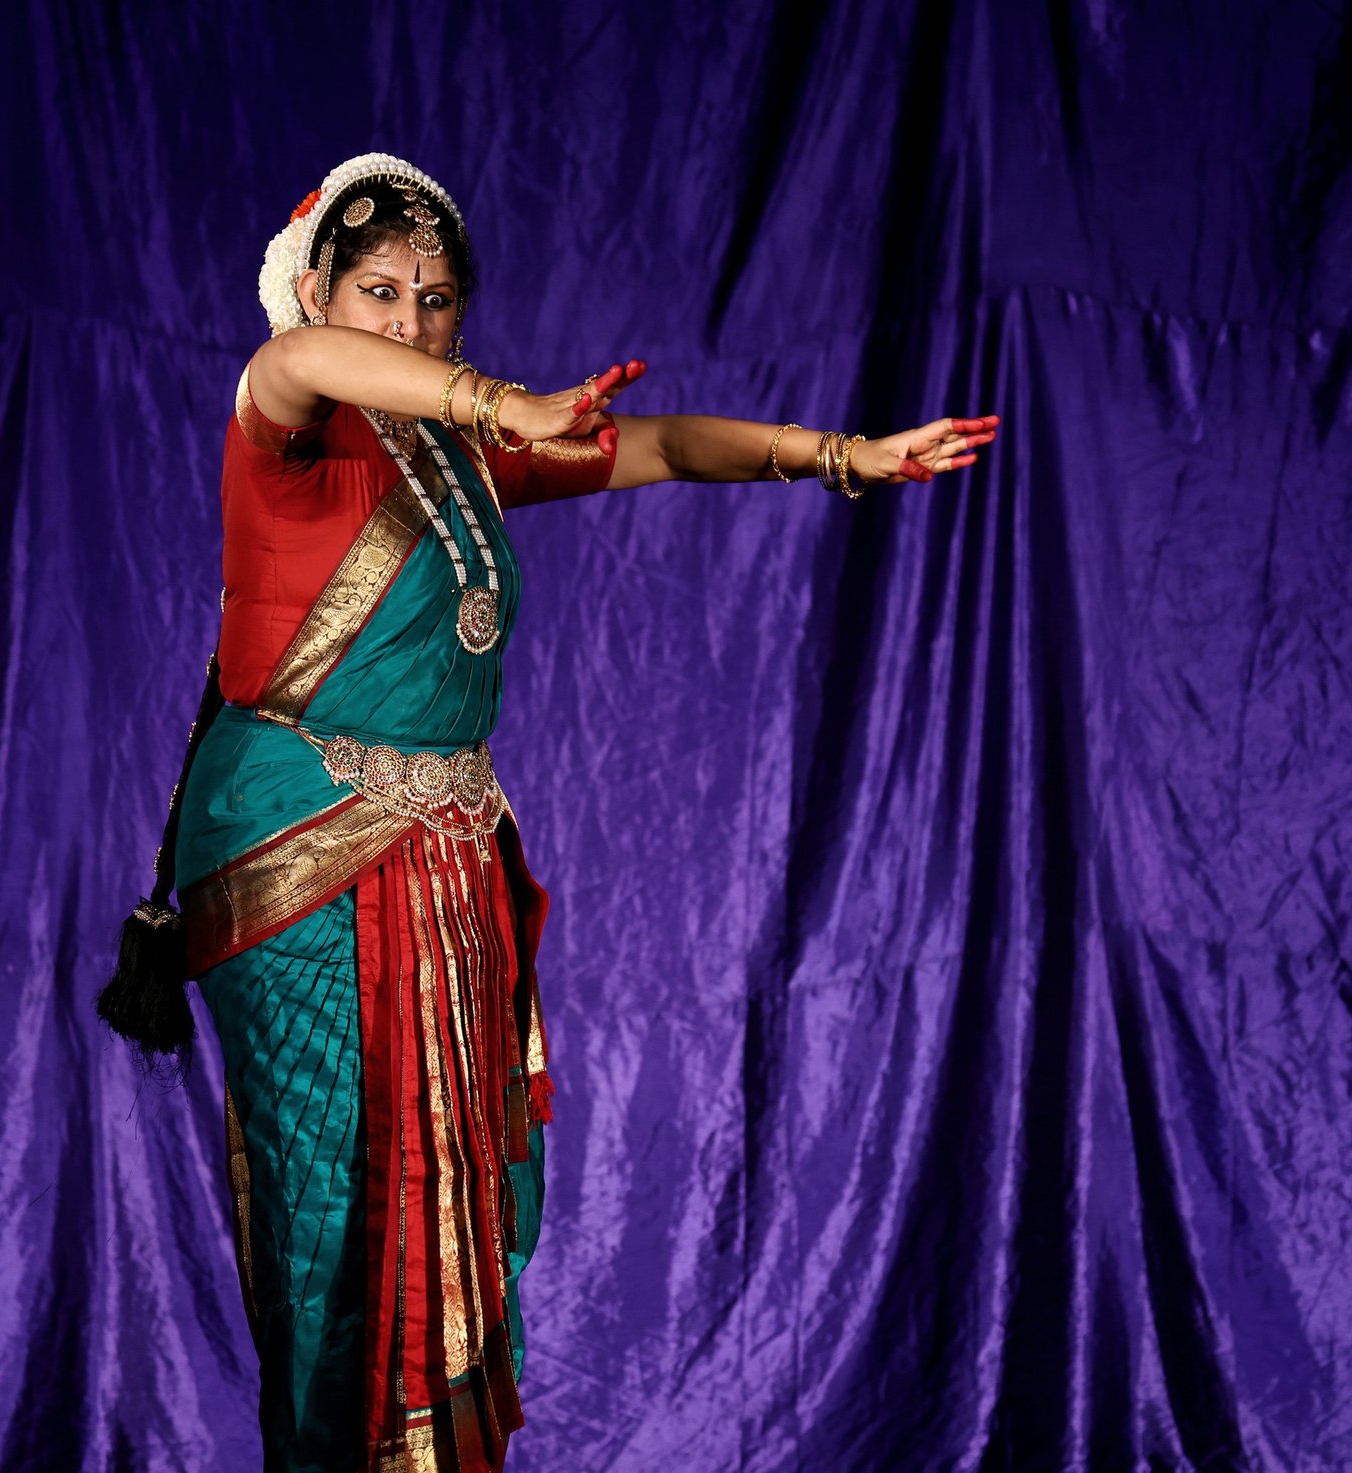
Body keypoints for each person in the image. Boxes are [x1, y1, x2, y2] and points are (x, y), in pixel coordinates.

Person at [99, 150, 999, 1473]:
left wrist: (844, 458)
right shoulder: (284, 420)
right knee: (333, 1211)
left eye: (436, 299)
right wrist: (500, 400)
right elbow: (304, 363)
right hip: (298, 852)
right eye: (379, 290)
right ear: (318, 291)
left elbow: (669, 447)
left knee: (437, 1206)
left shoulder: (460, 462)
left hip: (443, 863)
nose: (409, 319)